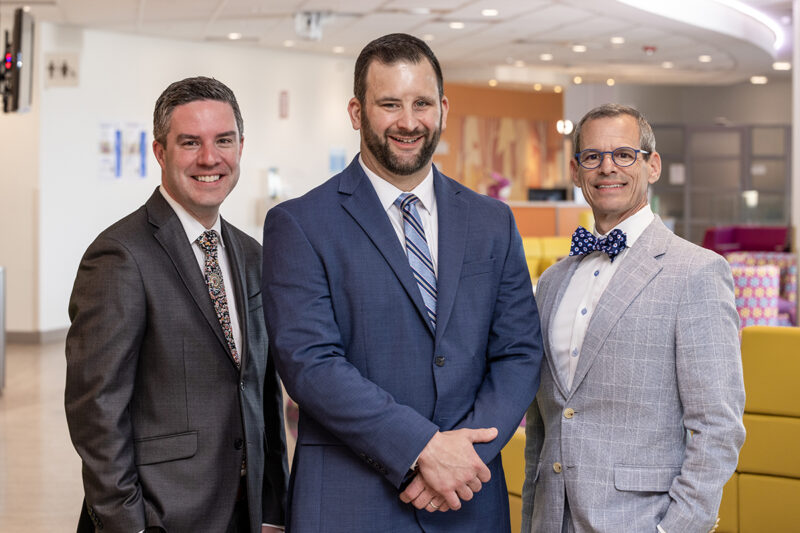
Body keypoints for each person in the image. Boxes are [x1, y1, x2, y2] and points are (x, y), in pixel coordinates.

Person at [261, 33, 543, 532]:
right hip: (352, 501)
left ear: (444, 109)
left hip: (469, 497)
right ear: (356, 111)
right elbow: (310, 365)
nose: (409, 122)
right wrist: (423, 450)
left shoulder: (491, 221)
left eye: (422, 103)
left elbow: (519, 352)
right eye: (389, 104)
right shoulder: (300, 223)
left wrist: (462, 459)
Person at [65, 76, 288, 533]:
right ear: (161, 152)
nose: (210, 158)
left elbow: (261, 392)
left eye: (223, 140)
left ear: (241, 147)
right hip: (162, 516)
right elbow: (96, 412)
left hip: (242, 512)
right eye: (190, 142)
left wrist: (271, 510)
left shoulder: (250, 254)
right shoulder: (120, 256)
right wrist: (129, 525)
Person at [521, 103, 745, 533]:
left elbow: (717, 426)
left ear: (652, 165)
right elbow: (543, 424)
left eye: (624, 154)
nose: (608, 168)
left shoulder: (696, 272)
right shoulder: (550, 283)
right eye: (593, 156)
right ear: (575, 170)